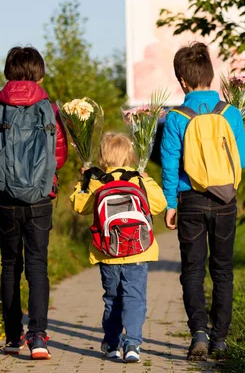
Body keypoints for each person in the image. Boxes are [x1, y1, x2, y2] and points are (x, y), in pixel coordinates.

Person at [0, 46, 68, 359]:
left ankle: (13, 336)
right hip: (40, 198)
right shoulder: (49, 108)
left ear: (7, 73)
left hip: (5, 198)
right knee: (38, 267)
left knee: (10, 266)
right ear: (39, 73)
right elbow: (60, 156)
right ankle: (38, 337)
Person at [160, 42, 245, 361]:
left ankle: (198, 334)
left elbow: (170, 164)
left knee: (193, 270)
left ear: (183, 81)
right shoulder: (231, 113)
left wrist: (170, 203)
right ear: (211, 76)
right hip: (225, 200)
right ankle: (221, 340)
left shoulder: (175, 118)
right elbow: (244, 158)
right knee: (223, 270)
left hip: (191, 201)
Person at [70, 133, 166, 363]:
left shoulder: (97, 181)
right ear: (130, 156)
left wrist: (82, 181)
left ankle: (112, 344)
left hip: (108, 252)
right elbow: (159, 205)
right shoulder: (138, 180)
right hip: (138, 250)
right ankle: (132, 344)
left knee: (112, 298)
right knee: (135, 296)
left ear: (102, 158)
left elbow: (79, 206)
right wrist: (148, 179)